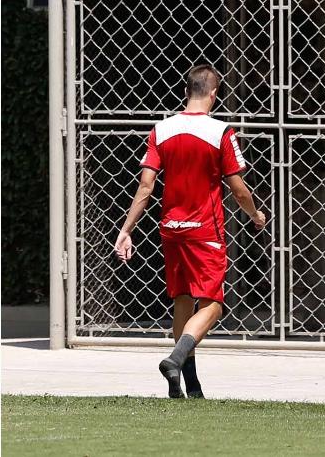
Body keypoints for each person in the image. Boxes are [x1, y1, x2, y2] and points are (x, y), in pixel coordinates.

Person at [113, 64, 265, 399]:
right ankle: (176, 358)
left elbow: (146, 186)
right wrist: (255, 214)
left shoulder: (161, 130)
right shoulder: (221, 132)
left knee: (182, 300)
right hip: (204, 231)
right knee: (213, 305)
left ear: (186, 91)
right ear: (214, 93)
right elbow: (238, 188)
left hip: (171, 229)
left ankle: (189, 385)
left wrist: (126, 230)